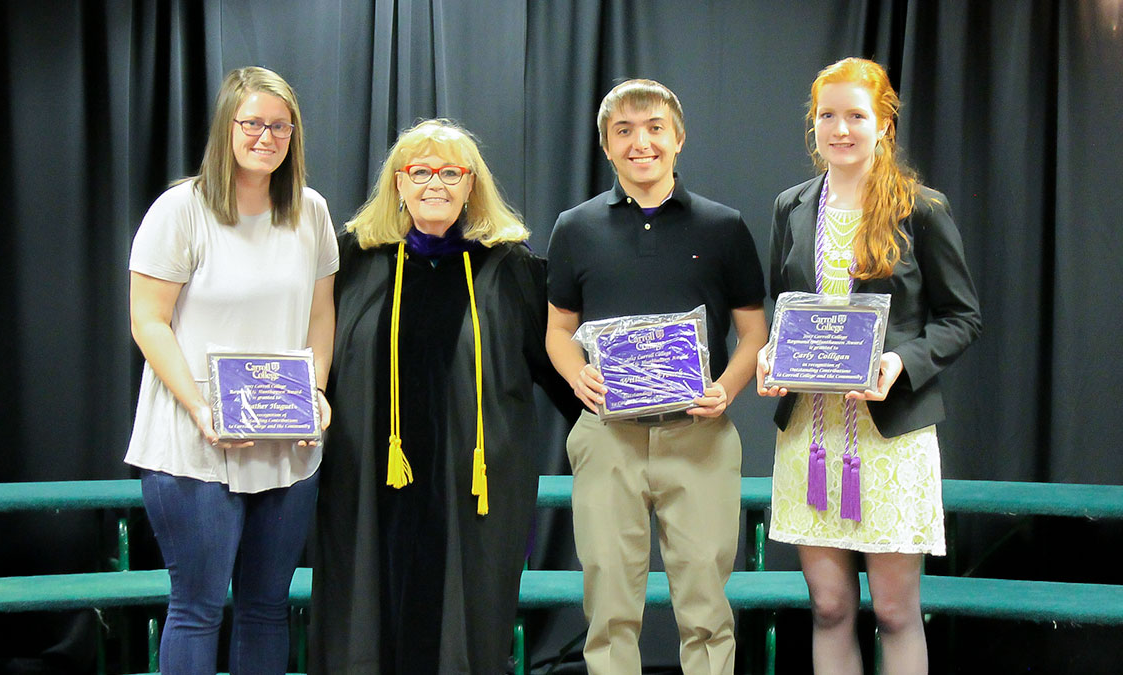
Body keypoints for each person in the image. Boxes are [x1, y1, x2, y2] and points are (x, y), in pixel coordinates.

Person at [307, 119, 576, 674]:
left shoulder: (510, 268)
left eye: (452, 172)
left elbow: (563, 369)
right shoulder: (350, 262)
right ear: (398, 183)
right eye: (421, 171)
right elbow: (309, 354)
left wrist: (636, 407)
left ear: (472, 184)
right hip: (368, 482)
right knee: (364, 613)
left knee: (470, 621)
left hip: (474, 487)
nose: (437, 183)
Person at [757, 57, 981, 674]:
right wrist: (773, 352)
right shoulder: (791, 206)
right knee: (829, 607)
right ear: (814, 122)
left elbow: (962, 318)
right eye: (827, 115)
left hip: (892, 439)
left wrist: (899, 362)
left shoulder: (921, 208)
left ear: (883, 122)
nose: (841, 128)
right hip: (810, 436)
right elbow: (783, 302)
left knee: (893, 611)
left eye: (856, 115)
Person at [546, 79, 768, 675]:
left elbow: (754, 333)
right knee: (609, 604)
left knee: (705, 605)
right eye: (624, 131)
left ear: (678, 139)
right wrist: (577, 377)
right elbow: (557, 331)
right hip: (607, 437)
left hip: (699, 437)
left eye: (654, 129)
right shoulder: (575, 227)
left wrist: (728, 387)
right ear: (606, 146)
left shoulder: (723, 227)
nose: (640, 143)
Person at [126, 66, 337, 675]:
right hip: (194, 444)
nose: (266, 137)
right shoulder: (180, 209)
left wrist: (315, 392)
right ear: (227, 127)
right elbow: (149, 321)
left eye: (280, 126)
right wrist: (200, 407)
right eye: (253, 123)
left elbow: (320, 317)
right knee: (197, 607)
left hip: (285, 443)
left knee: (268, 608)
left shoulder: (311, 212)